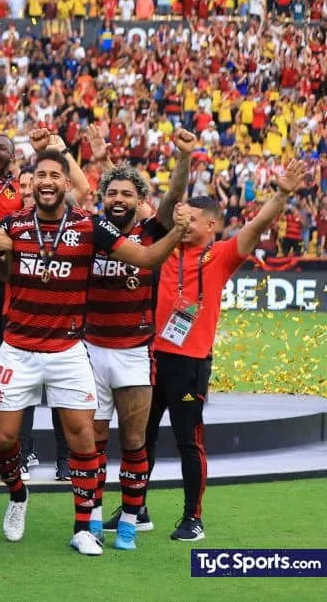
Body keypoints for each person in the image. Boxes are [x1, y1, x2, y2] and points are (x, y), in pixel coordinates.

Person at [0, 150, 188, 557]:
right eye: (39, 174)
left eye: (54, 175)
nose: (46, 181)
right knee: (3, 443)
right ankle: (18, 493)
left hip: (68, 351)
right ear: (33, 181)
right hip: (18, 350)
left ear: (66, 183)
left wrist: (178, 232)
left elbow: (146, 258)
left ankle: (83, 528)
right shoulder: (14, 224)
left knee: (84, 440)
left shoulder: (89, 226)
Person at [140, 159, 308, 543]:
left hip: (190, 363)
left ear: (211, 225)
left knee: (187, 441)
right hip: (150, 359)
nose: (185, 225)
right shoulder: (165, 248)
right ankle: (136, 509)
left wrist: (282, 193)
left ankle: (192, 518)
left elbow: (257, 225)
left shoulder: (221, 254)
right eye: (183, 218)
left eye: (192, 220)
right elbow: (150, 209)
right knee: (140, 440)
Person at [85, 131, 192, 548]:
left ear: (140, 200)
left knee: (133, 442)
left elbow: (175, 194)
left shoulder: (151, 230)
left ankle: (130, 521)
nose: (118, 199)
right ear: (102, 197)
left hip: (133, 351)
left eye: (127, 194)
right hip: (91, 350)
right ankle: (92, 519)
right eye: (111, 192)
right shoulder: (90, 231)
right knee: (92, 443)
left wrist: (184, 155)